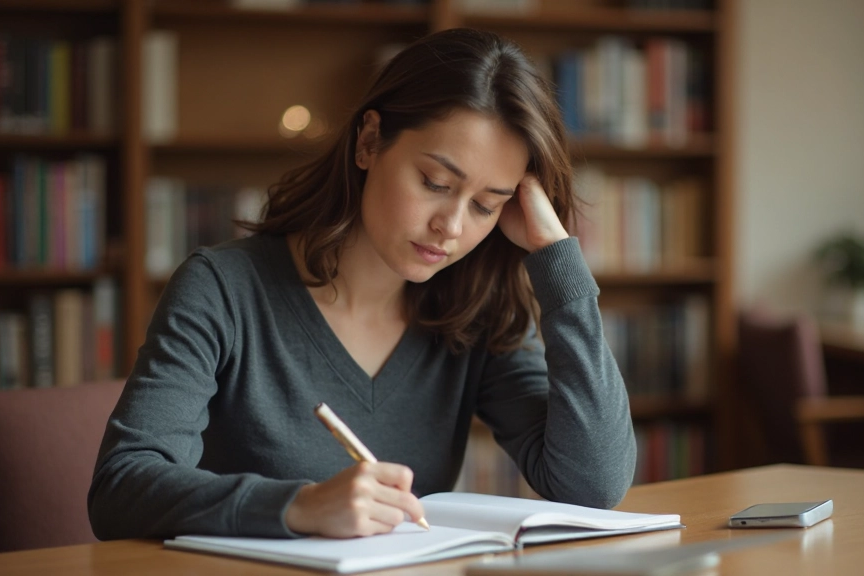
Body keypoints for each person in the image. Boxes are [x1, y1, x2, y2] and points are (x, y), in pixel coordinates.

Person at [89, 27, 636, 540]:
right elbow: (122, 485)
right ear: (370, 141)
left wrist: (556, 259)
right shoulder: (223, 289)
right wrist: (296, 507)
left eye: (486, 206)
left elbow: (592, 485)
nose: (451, 226)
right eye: (435, 182)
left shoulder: (474, 311)